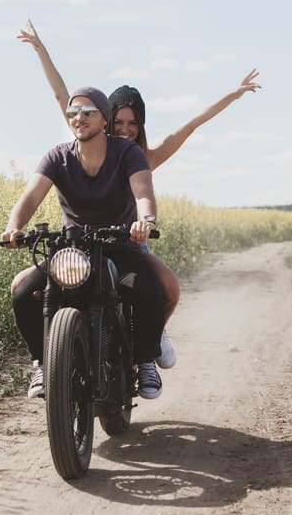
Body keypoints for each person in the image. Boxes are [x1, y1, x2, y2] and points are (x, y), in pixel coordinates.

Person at [17, 19, 261, 369]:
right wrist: (41, 50)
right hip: (81, 244)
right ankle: (55, 360)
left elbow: (191, 124)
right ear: (105, 122)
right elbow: (62, 94)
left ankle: (149, 343)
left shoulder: (144, 156)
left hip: (129, 238)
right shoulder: (84, 136)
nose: (126, 131)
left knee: (168, 288)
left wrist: (233, 95)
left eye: (133, 125)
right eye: (119, 124)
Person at [1, 87, 167, 400]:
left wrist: (145, 222)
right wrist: (14, 228)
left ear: (105, 119)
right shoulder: (57, 156)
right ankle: (41, 362)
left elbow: (143, 192)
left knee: (148, 288)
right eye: (72, 112)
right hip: (72, 251)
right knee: (24, 293)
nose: (79, 117)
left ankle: (145, 360)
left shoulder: (126, 153)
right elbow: (30, 197)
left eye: (88, 112)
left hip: (119, 248)